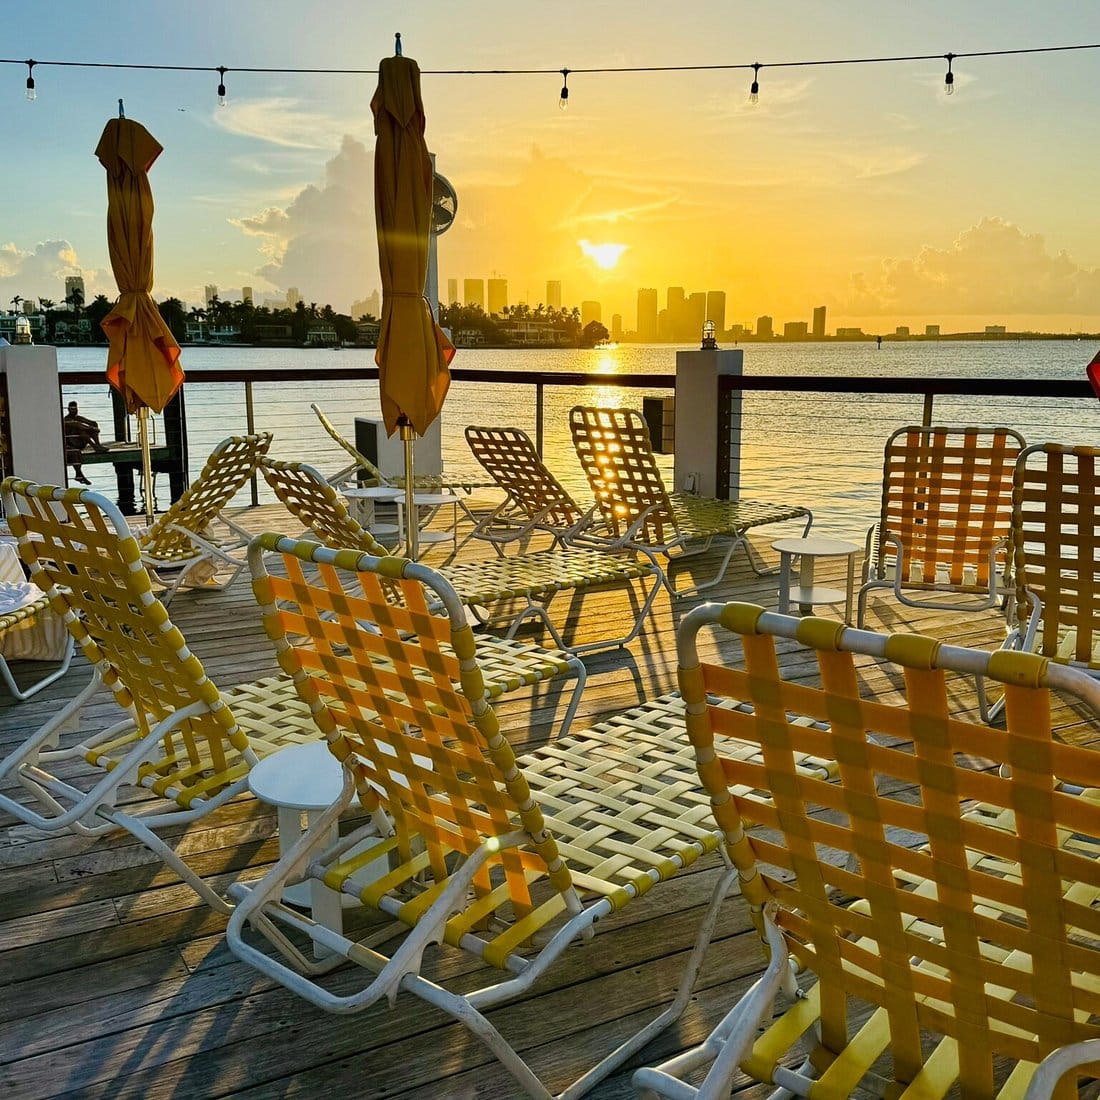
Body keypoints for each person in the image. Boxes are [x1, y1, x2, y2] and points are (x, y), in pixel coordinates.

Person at [63, 401, 107, 485]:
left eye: (75, 408)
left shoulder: (78, 417)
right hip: (72, 443)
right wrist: (92, 428)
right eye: (72, 409)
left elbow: (91, 422)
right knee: (83, 431)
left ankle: (97, 445)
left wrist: (93, 426)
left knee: (90, 428)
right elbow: (77, 425)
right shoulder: (66, 420)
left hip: (80, 443)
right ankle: (95, 446)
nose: (74, 410)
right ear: (68, 409)